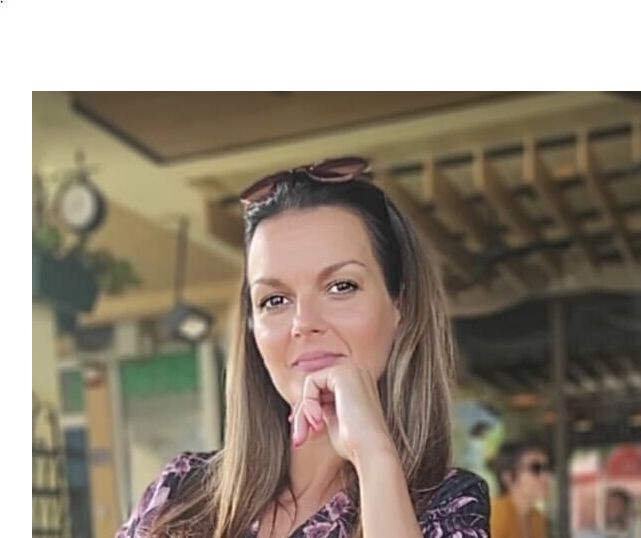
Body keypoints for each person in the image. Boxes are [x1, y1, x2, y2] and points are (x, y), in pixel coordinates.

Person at [116, 156, 490, 538]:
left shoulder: (448, 505)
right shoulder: (179, 493)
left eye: (341, 286)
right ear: (252, 326)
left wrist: (374, 455)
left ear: (401, 306)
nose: (303, 323)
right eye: (275, 300)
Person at [489, 439, 552, 538]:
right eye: (536, 469)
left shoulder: (538, 519)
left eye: (547, 468)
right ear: (509, 476)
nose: (547, 477)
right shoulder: (495, 516)